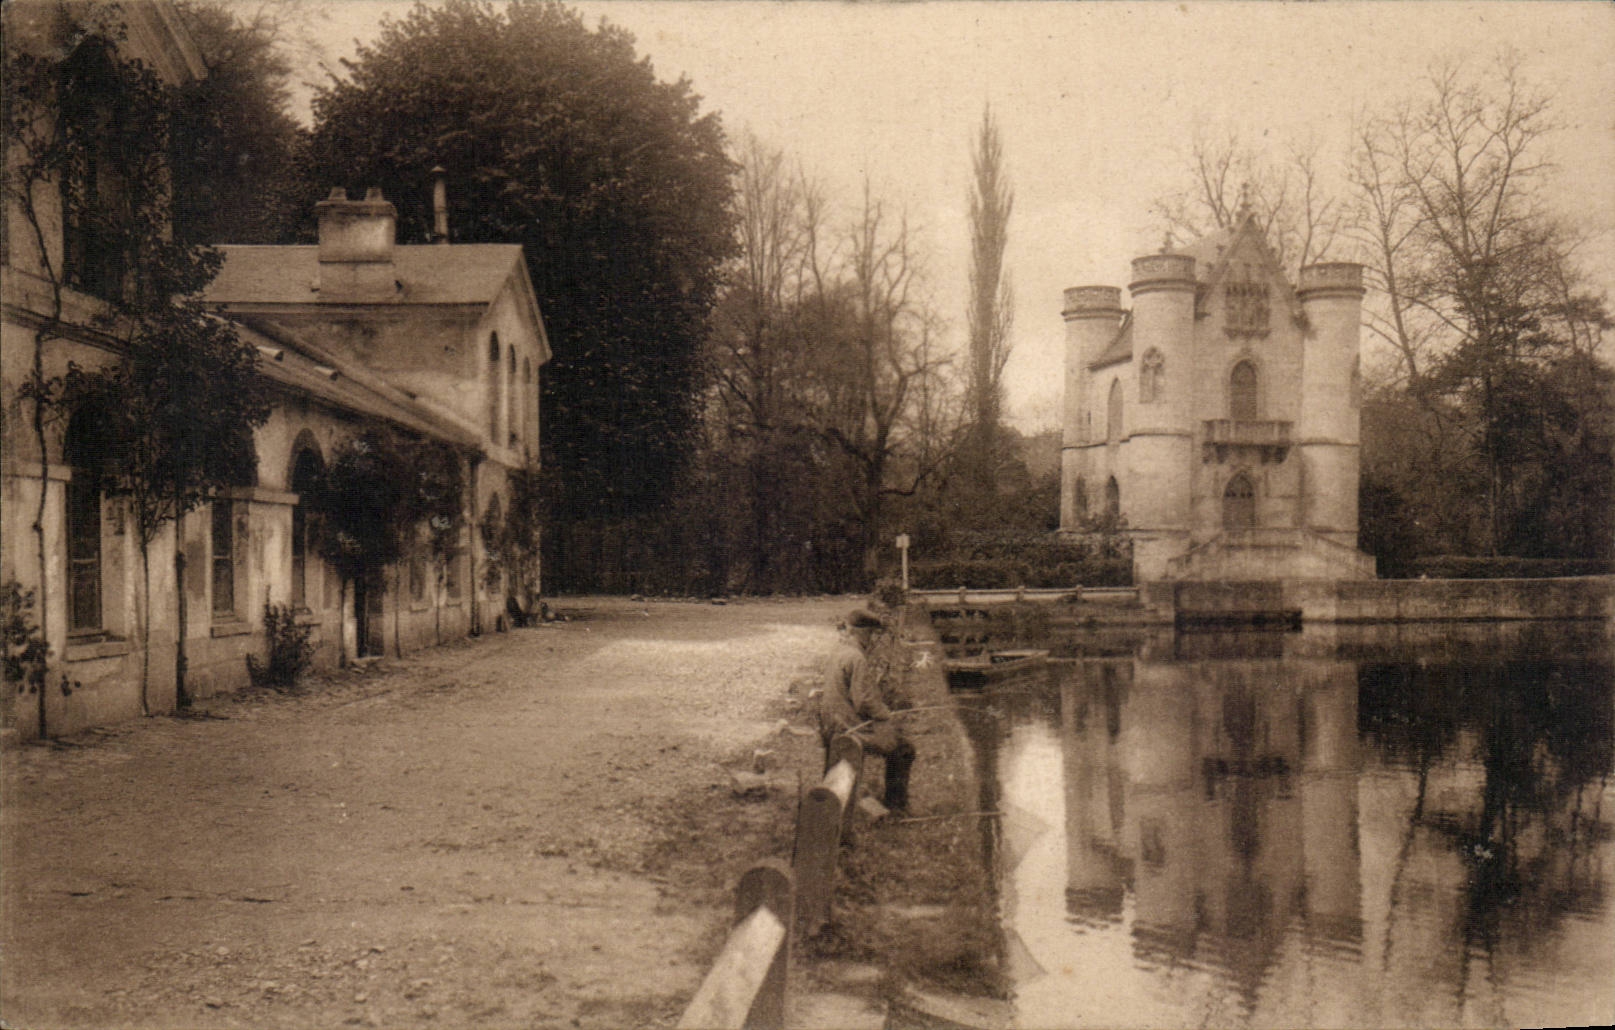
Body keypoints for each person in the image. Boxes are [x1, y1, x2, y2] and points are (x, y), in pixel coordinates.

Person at [819, 607, 916, 813]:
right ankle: (896, 808)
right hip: (848, 728)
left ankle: (827, 804)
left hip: (830, 725)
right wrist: (885, 714)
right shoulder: (856, 658)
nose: (872, 640)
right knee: (904, 749)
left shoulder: (838, 652)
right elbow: (864, 701)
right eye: (871, 634)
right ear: (862, 633)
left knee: (895, 743)